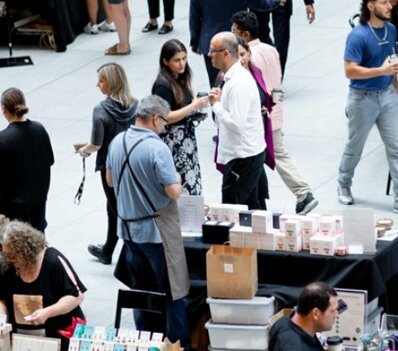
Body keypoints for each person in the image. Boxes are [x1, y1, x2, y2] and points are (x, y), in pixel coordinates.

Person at [105, 96, 205, 351]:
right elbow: (173, 192)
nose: (164, 126)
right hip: (157, 230)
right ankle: (179, 350)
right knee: (173, 291)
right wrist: (180, 182)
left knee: (141, 288)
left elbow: (110, 181)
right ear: (154, 118)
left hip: (128, 230)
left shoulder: (117, 141)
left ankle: (144, 341)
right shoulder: (157, 148)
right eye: (164, 120)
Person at [337, 0, 398, 216]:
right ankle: (343, 182)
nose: (390, 6)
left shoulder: (391, 29)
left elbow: (391, 64)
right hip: (362, 98)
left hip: (387, 96)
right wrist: (381, 71)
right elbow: (350, 71)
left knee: (396, 148)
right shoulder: (358, 35)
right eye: (383, 2)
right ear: (370, 6)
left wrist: (395, 91)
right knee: (355, 147)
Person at [233, 10, 318, 214]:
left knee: (271, 155)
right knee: (274, 154)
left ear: (245, 35)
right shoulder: (271, 50)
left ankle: (303, 193)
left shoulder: (248, 58)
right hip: (275, 110)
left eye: (234, 30)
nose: (231, 33)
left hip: (262, 115)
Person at [77, 63, 138, 266]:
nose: (97, 84)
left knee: (115, 207)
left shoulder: (100, 110)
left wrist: (83, 151)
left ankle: (125, 252)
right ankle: (109, 249)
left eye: (101, 80)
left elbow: (96, 143)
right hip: (132, 162)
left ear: (111, 83)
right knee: (119, 206)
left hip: (109, 167)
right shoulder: (135, 105)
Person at [0, 220, 86, 351]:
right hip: (22, 343)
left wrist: (47, 312)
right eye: (5, 254)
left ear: (26, 250)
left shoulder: (53, 261)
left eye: (12, 255)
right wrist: (2, 315)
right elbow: (2, 298)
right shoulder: (8, 267)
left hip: (58, 339)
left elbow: (76, 296)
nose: (8, 259)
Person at [208, 32, 267, 210]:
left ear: (226, 53)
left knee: (232, 211)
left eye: (213, 50)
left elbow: (236, 124)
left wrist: (216, 105)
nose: (209, 54)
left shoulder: (237, 83)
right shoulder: (233, 78)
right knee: (252, 209)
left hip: (242, 158)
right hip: (246, 154)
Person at [152, 40, 211, 196]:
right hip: (173, 143)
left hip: (186, 140)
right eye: (177, 60)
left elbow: (181, 109)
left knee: (191, 181)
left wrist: (195, 113)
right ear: (166, 61)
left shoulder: (180, 78)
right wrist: (193, 106)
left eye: (184, 58)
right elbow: (165, 116)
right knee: (182, 184)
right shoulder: (162, 85)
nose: (182, 63)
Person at [0, 88, 54, 232]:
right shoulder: (39, 129)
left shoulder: (3, 140)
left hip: (13, 212)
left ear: (4, 109)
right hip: (39, 205)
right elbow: (49, 162)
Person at [235, 37, 276, 210]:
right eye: (237, 56)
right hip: (243, 145)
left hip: (257, 138)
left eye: (243, 54)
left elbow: (263, 97)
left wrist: (267, 106)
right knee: (248, 193)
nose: (241, 59)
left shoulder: (255, 71)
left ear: (249, 53)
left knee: (258, 189)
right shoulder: (229, 79)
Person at [256, 0, 315, 76]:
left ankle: (277, 81)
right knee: (261, 38)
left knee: (281, 45)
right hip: (259, 3)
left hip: (283, 3)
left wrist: (308, 3)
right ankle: (267, 70)